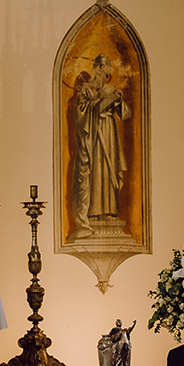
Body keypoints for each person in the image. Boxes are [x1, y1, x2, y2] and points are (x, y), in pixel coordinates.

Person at [69, 54, 131, 240]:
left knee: (109, 172)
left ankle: (110, 212)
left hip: (109, 133)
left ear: (108, 74)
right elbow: (79, 113)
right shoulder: (86, 90)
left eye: (103, 69)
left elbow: (125, 114)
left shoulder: (113, 89)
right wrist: (98, 105)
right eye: (97, 68)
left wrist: (118, 100)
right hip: (93, 137)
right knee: (96, 172)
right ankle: (94, 212)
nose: (99, 72)